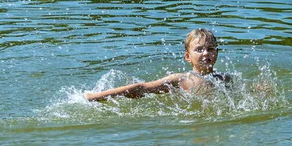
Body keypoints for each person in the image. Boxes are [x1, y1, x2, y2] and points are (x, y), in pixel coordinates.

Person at [84, 29, 231, 102]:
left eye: (211, 49)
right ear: (188, 57)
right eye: (199, 50)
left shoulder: (225, 78)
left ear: (217, 53)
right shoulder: (183, 79)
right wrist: (96, 96)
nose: (206, 53)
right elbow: (142, 88)